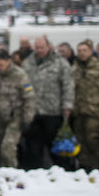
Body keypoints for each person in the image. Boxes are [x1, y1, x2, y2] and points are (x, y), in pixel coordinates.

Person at [21, 37, 74, 170]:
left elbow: (68, 85)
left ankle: (62, 172)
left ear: (49, 46)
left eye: (42, 48)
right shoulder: (28, 63)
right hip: (33, 112)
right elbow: (22, 85)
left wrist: (67, 105)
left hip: (53, 112)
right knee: (33, 147)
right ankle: (34, 173)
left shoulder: (60, 63)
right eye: (37, 48)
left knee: (55, 147)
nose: (39, 50)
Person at [0, 49, 36, 168]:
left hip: (15, 117)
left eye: (0, 64)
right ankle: (4, 170)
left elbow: (29, 97)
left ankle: (12, 173)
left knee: (8, 147)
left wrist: (27, 118)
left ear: (8, 61)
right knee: (0, 147)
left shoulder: (20, 75)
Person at [72, 41, 99, 171]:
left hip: (95, 109)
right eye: (79, 51)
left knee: (93, 138)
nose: (82, 53)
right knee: (81, 139)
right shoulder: (74, 68)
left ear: (91, 51)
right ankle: (86, 165)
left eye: (84, 50)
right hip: (79, 109)